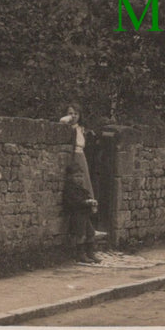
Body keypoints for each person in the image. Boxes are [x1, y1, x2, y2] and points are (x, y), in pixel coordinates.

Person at [61, 104, 101, 263]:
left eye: (76, 113)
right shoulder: (66, 126)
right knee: (76, 186)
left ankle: (90, 250)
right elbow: (62, 122)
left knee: (85, 185)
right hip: (74, 158)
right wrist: (67, 119)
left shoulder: (81, 129)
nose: (73, 116)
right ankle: (82, 252)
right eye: (70, 113)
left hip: (81, 158)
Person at [62, 163, 100, 263]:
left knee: (91, 233)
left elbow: (85, 196)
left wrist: (91, 202)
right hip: (77, 215)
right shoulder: (70, 189)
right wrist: (86, 202)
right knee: (81, 235)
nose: (79, 179)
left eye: (81, 176)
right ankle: (80, 255)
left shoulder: (80, 189)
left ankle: (90, 253)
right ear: (69, 177)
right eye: (76, 176)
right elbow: (74, 202)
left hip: (84, 215)